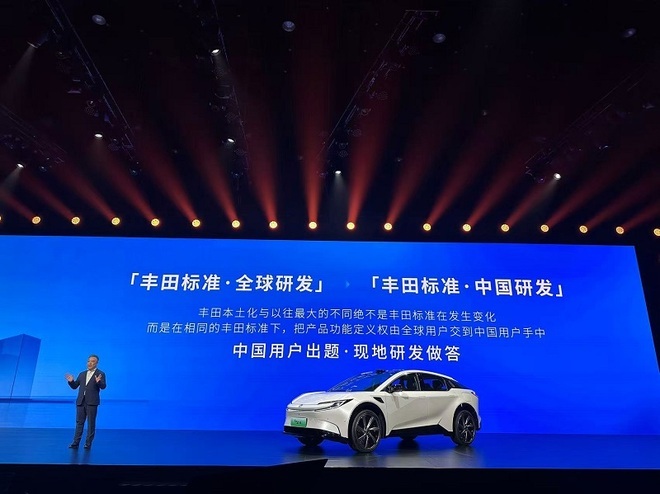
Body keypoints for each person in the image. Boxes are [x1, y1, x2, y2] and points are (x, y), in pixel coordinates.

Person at [65, 354, 107, 449]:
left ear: (96, 363)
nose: (90, 363)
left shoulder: (100, 373)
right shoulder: (82, 374)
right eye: (88, 361)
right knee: (79, 423)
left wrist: (98, 382)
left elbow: (103, 386)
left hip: (92, 402)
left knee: (91, 423)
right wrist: (71, 381)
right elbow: (75, 386)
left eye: (92, 361)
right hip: (81, 401)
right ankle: (75, 443)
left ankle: (88, 443)